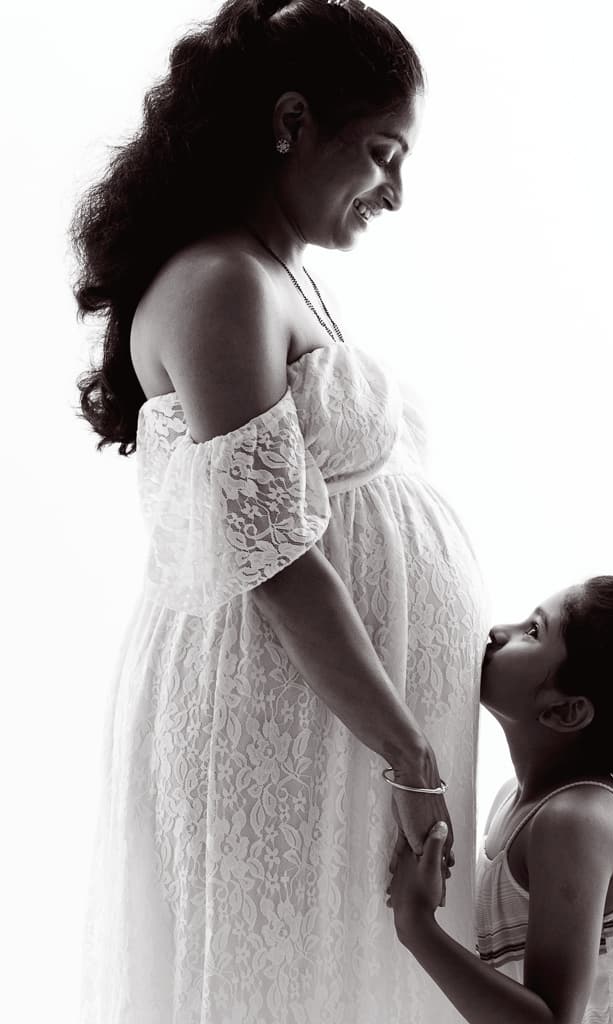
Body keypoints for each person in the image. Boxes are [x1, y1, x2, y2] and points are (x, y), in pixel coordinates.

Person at [71, 1, 488, 1021]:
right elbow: (277, 559)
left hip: (332, 718)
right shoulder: (221, 284)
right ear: (291, 120)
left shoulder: (272, 270)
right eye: (383, 152)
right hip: (279, 717)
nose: (396, 191)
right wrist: (411, 756)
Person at [388, 576, 613, 1024]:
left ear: (567, 710)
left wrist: (417, 925)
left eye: (533, 632)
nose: (498, 632)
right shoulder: (518, 800)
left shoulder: (575, 821)